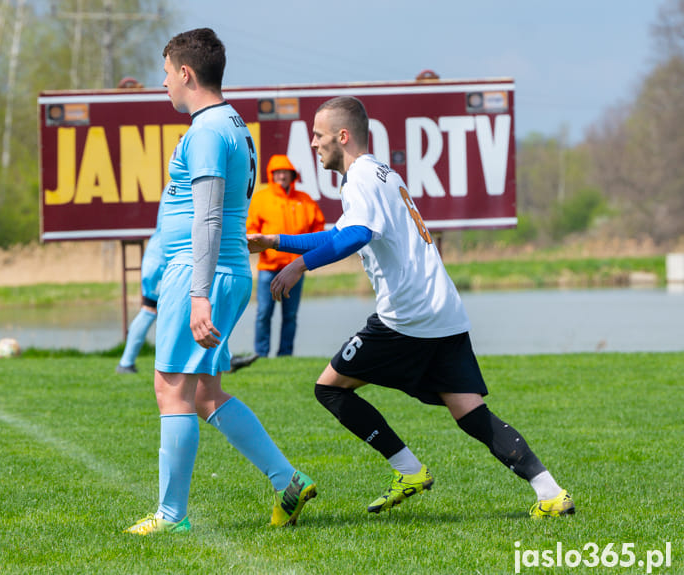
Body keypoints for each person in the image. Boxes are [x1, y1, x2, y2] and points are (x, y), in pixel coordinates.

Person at [247, 96, 575, 519]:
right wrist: (278, 243)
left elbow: (355, 237)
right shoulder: (382, 174)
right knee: (470, 411)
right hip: (444, 311)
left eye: (317, 135)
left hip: (407, 317)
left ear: (342, 136)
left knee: (329, 387)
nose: (312, 143)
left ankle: (408, 469)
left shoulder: (360, 177)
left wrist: (297, 266)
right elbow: (338, 233)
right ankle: (550, 492)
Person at [124, 28, 317, 535]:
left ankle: (171, 517)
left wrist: (196, 294)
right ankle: (289, 480)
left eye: (166, 72)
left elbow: (208, 218)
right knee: (206, 392)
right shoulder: (234, 124)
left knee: (171, 388)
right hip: (228, 270)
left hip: (199, 271)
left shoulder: (207, 130)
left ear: (186, 73)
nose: (162, 82)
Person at [246, 154, 324, 359]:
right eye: (278, 172)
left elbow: (319, 228)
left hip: (296, 266)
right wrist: (260, 244)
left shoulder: (304, 200)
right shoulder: (261, 199)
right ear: (272, 175)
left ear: (292, 175)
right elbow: (251, 228)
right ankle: (261, 355)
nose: (282, 176)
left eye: (286, 172)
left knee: (290, 315)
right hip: (268, 267)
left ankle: (285, 355)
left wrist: (308, 253)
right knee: (264, 313)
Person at [116, 186, 168, 374]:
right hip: (162, 260)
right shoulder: (184, 184)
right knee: (149, 310)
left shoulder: (174, 184)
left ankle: (221, 360)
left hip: (159, 257)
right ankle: (126, 362)